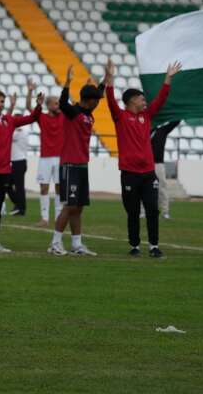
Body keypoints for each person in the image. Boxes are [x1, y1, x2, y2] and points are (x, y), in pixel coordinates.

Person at [103, 59, 178, 258]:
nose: (144, 101)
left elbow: (160, 100)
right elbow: (110, 99)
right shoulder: (120, 117)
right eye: (140, 98)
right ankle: (134, 245)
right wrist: (109, 78)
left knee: (152, 209)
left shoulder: (147, 116)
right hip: (129, 173)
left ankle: (154, 245)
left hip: (148, 173)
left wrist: (168, 79)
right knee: (133, 211)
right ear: (130, 101)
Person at [0, 82, 42, 253]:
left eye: (2, 102)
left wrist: (38, 106)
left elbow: (31, 118)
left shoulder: (9, 120)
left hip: (3, 171)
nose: (0, 104)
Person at [49, 67, 102, 257]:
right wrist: (67, 83)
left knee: (78, 207)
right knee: (69, 205)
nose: (98, 102)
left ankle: (77, 244)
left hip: (81, 165)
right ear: (89, 100)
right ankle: (55, 243)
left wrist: (107, 80)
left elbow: (99, 93)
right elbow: (63, 103)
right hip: (70, 164)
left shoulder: (88, 113)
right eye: (96, 100)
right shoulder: (74, 112)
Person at [35, 91, 64, 227]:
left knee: (59, 188)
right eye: (56, 103)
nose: (59, 105)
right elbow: (31, 108)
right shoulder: (42, 117)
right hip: (45, 158)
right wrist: (30, 92)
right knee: (44, 188)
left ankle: (58, 217)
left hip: (60, 158)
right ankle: (44, 218)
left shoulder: (64, 116)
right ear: (49, 106)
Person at [4, 88, 33, 217]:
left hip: (18, 162)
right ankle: (18, 204)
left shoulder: (20, 132)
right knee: (9, 185)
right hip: (16, 161)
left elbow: (6, 132)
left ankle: (21, 208)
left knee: (18, 186)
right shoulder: (21, 131)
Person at [150, 119, 180, 220]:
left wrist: (179, 112)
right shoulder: (145, 131)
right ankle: (143, 211)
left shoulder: (162, 130)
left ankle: (165, 212)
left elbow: (175, 122)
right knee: (144, 188)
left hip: (159, 164)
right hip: (146, 164)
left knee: (162, 188)